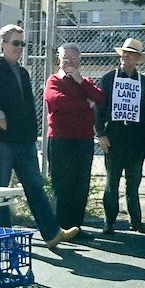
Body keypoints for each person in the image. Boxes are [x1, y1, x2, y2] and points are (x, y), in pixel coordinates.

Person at [0, 24, 79, 249]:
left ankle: (52, 233)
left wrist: (26, 132)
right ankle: (4, 237)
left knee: (35, 186)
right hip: (2, 142)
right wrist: (8, 127)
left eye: (22, 43)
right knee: (1, 190)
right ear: (3, 44)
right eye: (15, 43)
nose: (20, 47)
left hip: (25, 142)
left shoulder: (23, 72)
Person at [96, 38, 145, 234]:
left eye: (131, 54)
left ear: (138, 58)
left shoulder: (144, 82)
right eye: (124, 53)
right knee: (111, 182)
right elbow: (98, 108)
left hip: (136, 138)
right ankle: (109, 222)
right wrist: (100, 134)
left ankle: (136, 221)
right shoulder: (108, 79)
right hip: (113, 136)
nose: (126, 56)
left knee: (133, 182)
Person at [44, 43, 105, 240]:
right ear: (59, 60)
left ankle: (76, 227)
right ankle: (61, 228)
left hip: (83, 140)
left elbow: (100, 97)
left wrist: (80, 82)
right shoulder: (53, 80)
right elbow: (58, 102)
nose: (69, 62)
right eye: (65, 58)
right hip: (61, 140)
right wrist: (86, 105)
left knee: (80, 184)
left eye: (73, 58)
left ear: (79, 61)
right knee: (62, 184)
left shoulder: (85, 81)